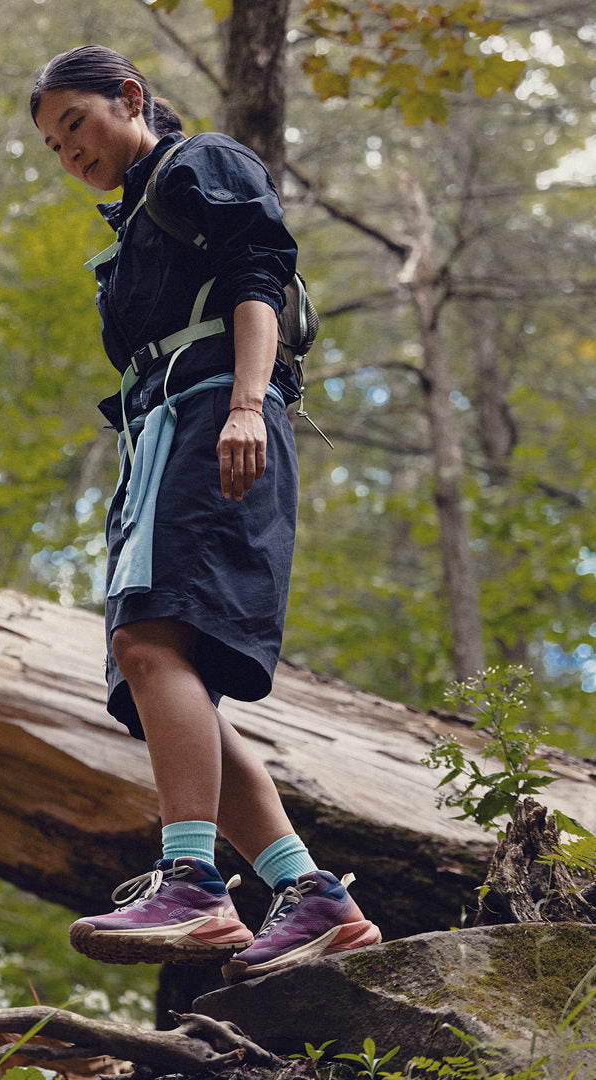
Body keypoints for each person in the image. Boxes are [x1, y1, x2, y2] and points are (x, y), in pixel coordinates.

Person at [30, 45, 380, 983]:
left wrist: (245, 406)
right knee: (160, 680)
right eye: (55, 146)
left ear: (130, 98)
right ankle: (312, 896)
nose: (70, 152)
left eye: (77, 124)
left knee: (148, 646)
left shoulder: (202, 163)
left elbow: (257, 277)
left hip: (216, 420)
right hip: (161, 440)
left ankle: (192, 880)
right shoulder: (134, 216)